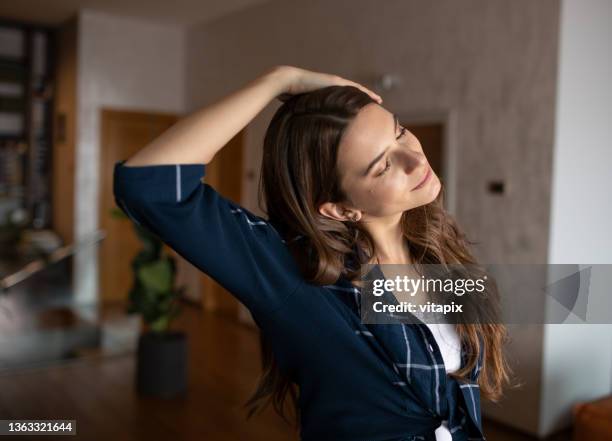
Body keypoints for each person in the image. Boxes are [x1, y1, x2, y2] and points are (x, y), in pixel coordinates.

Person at [113, 65, 510, 441]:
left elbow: (460, 384)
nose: (415, 158)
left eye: (400, 132)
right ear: (339, 209)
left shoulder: (435, 245)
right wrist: (278, 80)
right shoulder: (297, 278)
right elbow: (149, 188)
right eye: (381, 166)